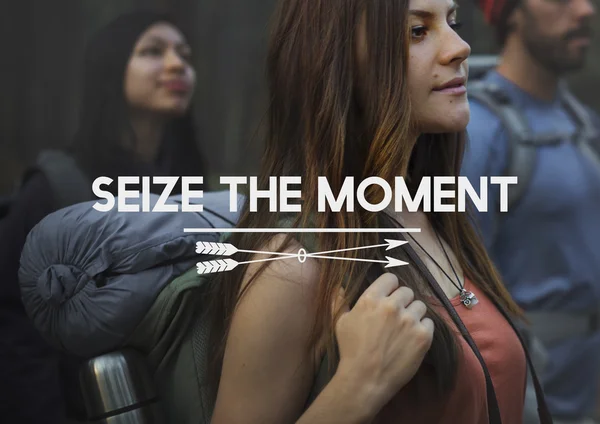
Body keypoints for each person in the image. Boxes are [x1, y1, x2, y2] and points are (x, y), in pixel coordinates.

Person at [202, 0, 549, 422]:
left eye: (452, 23)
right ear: (341, 60)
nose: (460, 47)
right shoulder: (293, 267)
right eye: (417, 31)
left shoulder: (434, 216)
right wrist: (357, 387)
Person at [0, 10, 205, 423]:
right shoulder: (57, 189)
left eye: (184, 54)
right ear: (111, 68)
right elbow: (16, 331)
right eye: (152, 51)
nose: (177, 64)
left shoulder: (192, 188)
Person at [461, 0, 600, 422]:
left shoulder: (582, 124)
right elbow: (457, 293)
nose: (585, 11)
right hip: (527, 403)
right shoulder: (480, 135)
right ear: (512, 14)